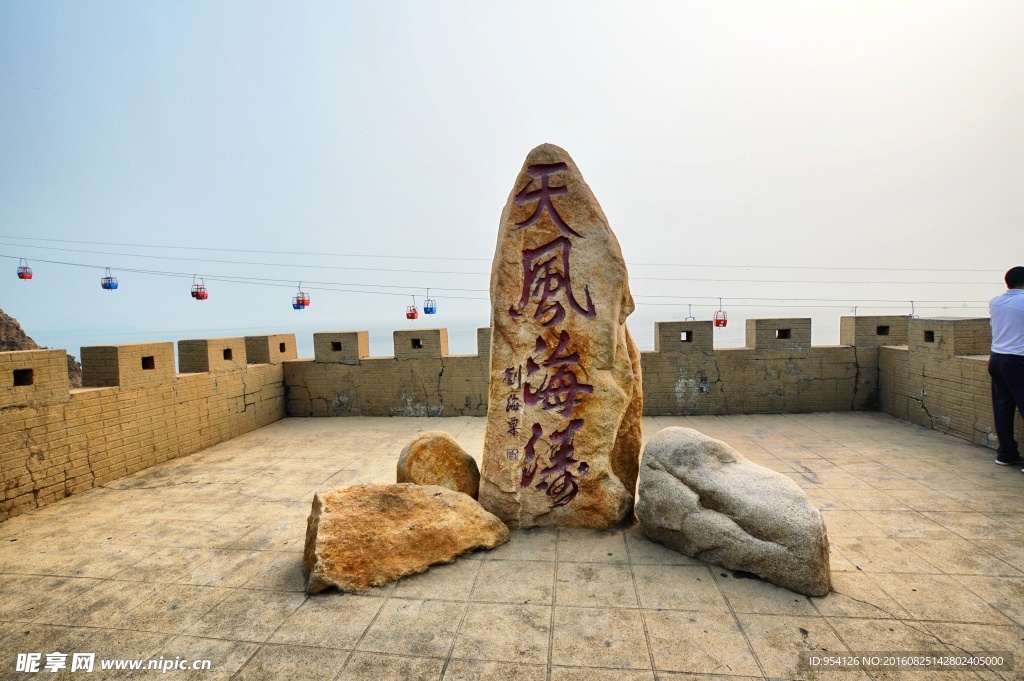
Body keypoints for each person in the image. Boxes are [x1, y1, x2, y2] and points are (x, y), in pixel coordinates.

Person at [990, 266, 1024, 466]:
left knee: (1003, 408)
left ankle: (1006, 453)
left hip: (997, 359)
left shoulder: (995, 302)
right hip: (1018, 360)